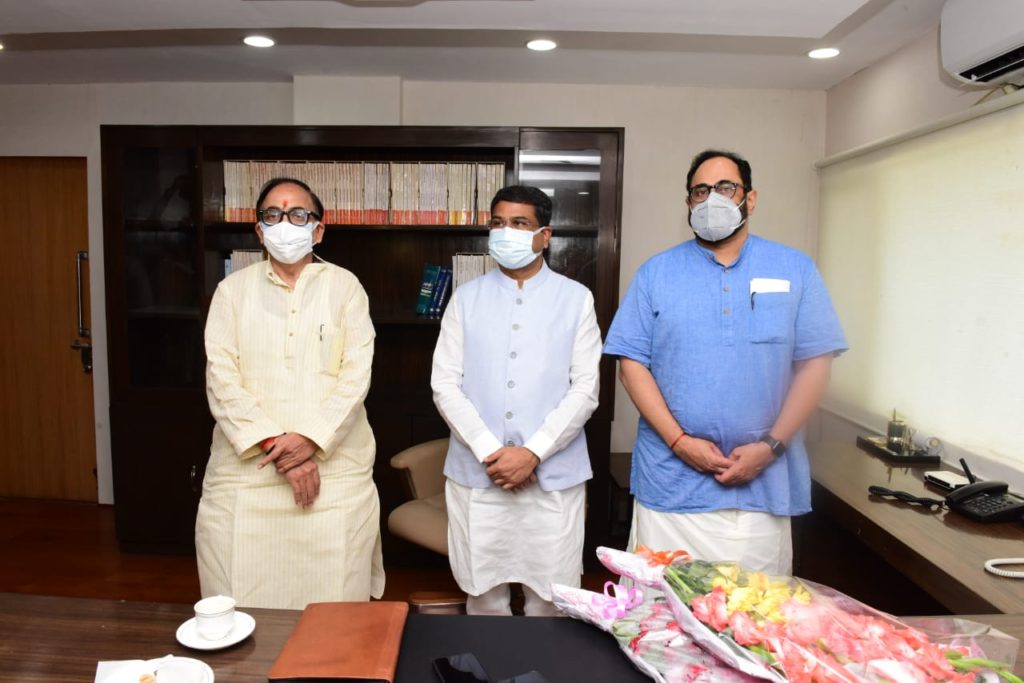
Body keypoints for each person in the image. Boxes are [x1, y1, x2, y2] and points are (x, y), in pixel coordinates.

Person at [603, 150, 847, 575]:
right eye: (701, 190)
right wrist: (680, 442)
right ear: (688, 203)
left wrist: (770, 447)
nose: (711, 198)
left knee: (755, 611)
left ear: (749, 199)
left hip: (762, 487)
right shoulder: (656, 273)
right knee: (660, 608)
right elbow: (631, 366)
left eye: (725, 188)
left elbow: (815, 365)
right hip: (671, 486)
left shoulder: (795, 269)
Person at [196, 177, 384, 609]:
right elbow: (221, 379)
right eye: (273, 214)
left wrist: (310, 440)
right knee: (239, 602)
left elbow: (356, 376)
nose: (285, 223)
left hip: (335, 476)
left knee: (335, 605)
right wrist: (278, 447)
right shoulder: (231, 292)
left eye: (298, 214)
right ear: (259, 231)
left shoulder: (346, 287)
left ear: (318, 230)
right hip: (249, 477)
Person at [431, 185, 602, 616]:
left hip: (551, 476)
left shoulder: (575, 299)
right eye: (498, 223)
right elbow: (445, 385)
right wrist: (493, 453)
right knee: (484, 595)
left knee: (552, 598)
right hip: (479, 474)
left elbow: (585, 389)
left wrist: (532, 453)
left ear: (545, 235)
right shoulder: (466, 298)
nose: (506, 232)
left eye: (520, 223)